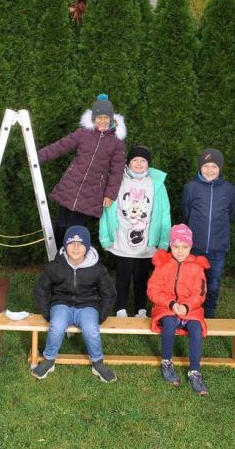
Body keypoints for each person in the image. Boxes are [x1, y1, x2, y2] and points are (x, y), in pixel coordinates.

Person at [37, 94, 127, 252]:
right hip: (70, 185)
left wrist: (110, 194)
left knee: (76, 229)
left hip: (91, 192)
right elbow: (61, 146)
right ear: (93, 118)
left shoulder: (117, 143)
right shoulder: (83, 133)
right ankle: (58, 256)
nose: (102, 121)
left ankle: (73, 259)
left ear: (112, 118)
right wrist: (36, 157)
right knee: (61, 224)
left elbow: (117, 171)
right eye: (99, 117)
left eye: (106, 117)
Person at [32, 225, 118, 383]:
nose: (76, 247)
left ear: (87, 247)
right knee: (56, 325)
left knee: (91, 328)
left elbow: (109, 293)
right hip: (61, 304)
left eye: (80, 243)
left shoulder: (97, 269)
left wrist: (101, 316)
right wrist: (47, 313)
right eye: (71, 243)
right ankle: (49, 360)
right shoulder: (55, 266)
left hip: (87, 305)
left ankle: (98, 362)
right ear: (65, 246)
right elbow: (41, 290)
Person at [99, 146, 171, 318]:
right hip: (122, 238)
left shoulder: (157, 183)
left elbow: (164, 212)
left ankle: (141, 309)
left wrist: (164, 240)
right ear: (128, 162)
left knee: (142, 277)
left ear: (148, 164)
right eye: (135, 160)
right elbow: (105, 209)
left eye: (143, 160)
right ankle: (121, 308)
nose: (139, 164)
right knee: (123, 276)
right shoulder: (117, 180)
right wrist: (105, 236)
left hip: (147, 240)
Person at [147, 224, 211, 396]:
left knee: (196, 330)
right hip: (166, 306)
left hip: (191, 308)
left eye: (184, 247)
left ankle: (194, 372)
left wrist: (187, 306)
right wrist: (171, 304)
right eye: (176, 247)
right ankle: (167, 362)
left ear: (190, 246)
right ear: (170, 245)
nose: (180, 251)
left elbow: (201, 293)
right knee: (169, 324)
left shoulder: (197, 267)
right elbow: (153, 290)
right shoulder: (163, 264)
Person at [182, 148, 235, 318]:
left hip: (218, 247)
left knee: (213, 282)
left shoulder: (229, 189)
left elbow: (231, 213)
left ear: (220, 168)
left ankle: (209, 313)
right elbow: (186, 212)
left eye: (214, 166)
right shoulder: (191, 187)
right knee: (193, 281)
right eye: (206, 166)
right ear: (200, 167)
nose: (210, 170)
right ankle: (191, 310)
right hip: (195, 246)